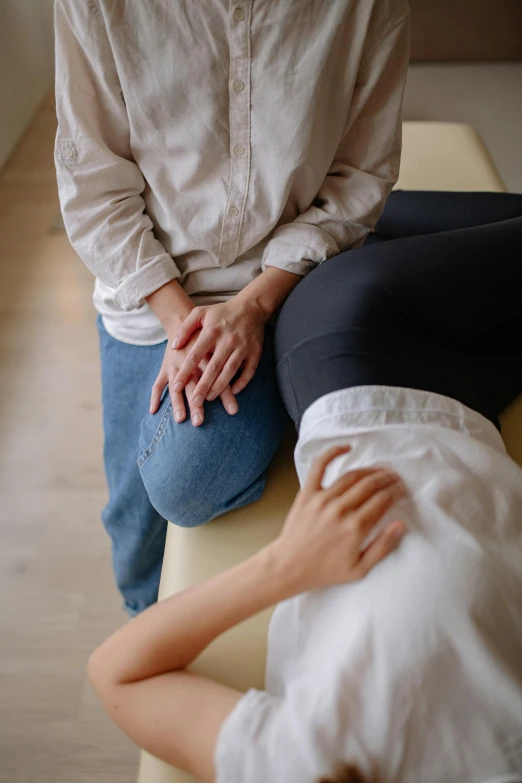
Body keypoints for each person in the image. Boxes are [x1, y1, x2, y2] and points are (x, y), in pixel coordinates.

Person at [87, 191, 522, 782]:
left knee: (334, 222)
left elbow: (116, 673)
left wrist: (287, 565)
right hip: (471, 404)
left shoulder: (301, 764)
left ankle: (308, 224)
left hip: (361, 355)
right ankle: (319, 222)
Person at [53, 0, 410, 615]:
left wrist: (252, 307)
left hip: (289, 284)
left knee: (183, 480)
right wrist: (182, 326)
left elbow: (360, 172)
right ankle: (146, 635)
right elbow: (92, 183)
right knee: (133, 519)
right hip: (149, 289)